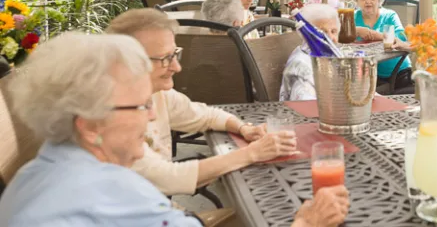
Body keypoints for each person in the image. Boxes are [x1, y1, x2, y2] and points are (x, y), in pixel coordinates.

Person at [0, 32, 350, 227]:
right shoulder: (112, 191)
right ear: (91, 125)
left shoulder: (40, 171)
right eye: (139, 106)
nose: (152, 113)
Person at [107, 9, 297, 196]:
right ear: (128, 62)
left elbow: (206, 115)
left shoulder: (158, 95)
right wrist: (252, 153)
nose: (177, 67)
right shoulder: (112, 115)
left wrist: (243, 128)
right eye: (165, 59)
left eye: (175, 54)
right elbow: (168, 177)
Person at [353, 0, 412, 92]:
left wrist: (376, 35)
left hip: (400, 71)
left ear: (379, 0)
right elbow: (340, 36)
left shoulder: (389, 15)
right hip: (370, 74)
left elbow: (401, 39)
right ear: (357, 0)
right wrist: (355, 30)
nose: (368, 1)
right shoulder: (353, 17)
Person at [280, 4, 341, 101]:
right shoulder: (301, 67)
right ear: (306, 33)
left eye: (333, 31)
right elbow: (305, 105)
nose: (329, 38)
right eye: (322, 32)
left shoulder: (333, 55)